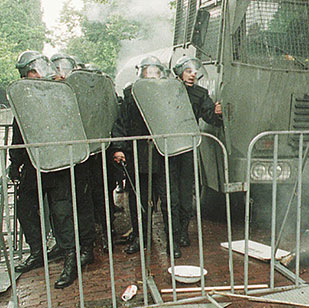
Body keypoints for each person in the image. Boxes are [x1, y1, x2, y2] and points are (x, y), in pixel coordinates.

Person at [8, 52, 94, 288]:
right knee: (25, 207)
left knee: (62, 213)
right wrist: (14, 163)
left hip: (58, 164)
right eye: (29, 72)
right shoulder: (24, 96)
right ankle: (37, 251)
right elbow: (19, 132)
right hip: (33, 163)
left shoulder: (60, 91)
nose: (33, 76)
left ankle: (70, 260)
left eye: (35, 70)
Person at [111, 56, 180, 258]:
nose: (151, 77)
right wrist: (118, 147)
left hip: (163, 156)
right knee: (139, 201)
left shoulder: (169, 94)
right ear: (140, 74)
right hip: (138, 156)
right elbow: (120, 124)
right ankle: (141, 239)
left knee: (169, 201)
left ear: (161, 75)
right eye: (147, 73)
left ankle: (172, 242)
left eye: (155, 73)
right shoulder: (130, 97)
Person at [171, 57, 223, 246]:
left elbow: (209, 116)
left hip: (187, 148)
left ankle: (183, 231)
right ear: (179, 73)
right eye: (188, 71)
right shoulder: (167, 91)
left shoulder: (200, 94)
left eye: (194, 71)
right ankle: (172, 232)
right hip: (167, 149)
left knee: (186, 193)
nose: (192, 74)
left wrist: (217, 113)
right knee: (170, 194)